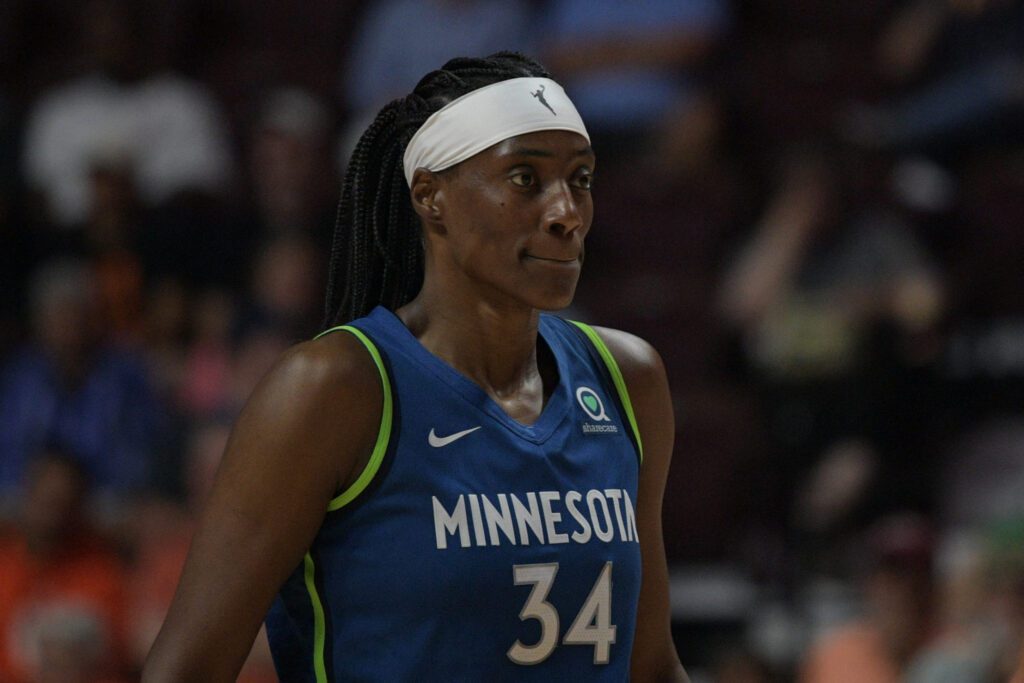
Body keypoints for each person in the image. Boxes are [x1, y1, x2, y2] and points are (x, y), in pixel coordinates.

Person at [142, 52, 688, 682]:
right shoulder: (333, 389)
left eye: (581, 179)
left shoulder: (627, 378)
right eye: (524, 179)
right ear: (430, 196)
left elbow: (651, 667)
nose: (566, 212)